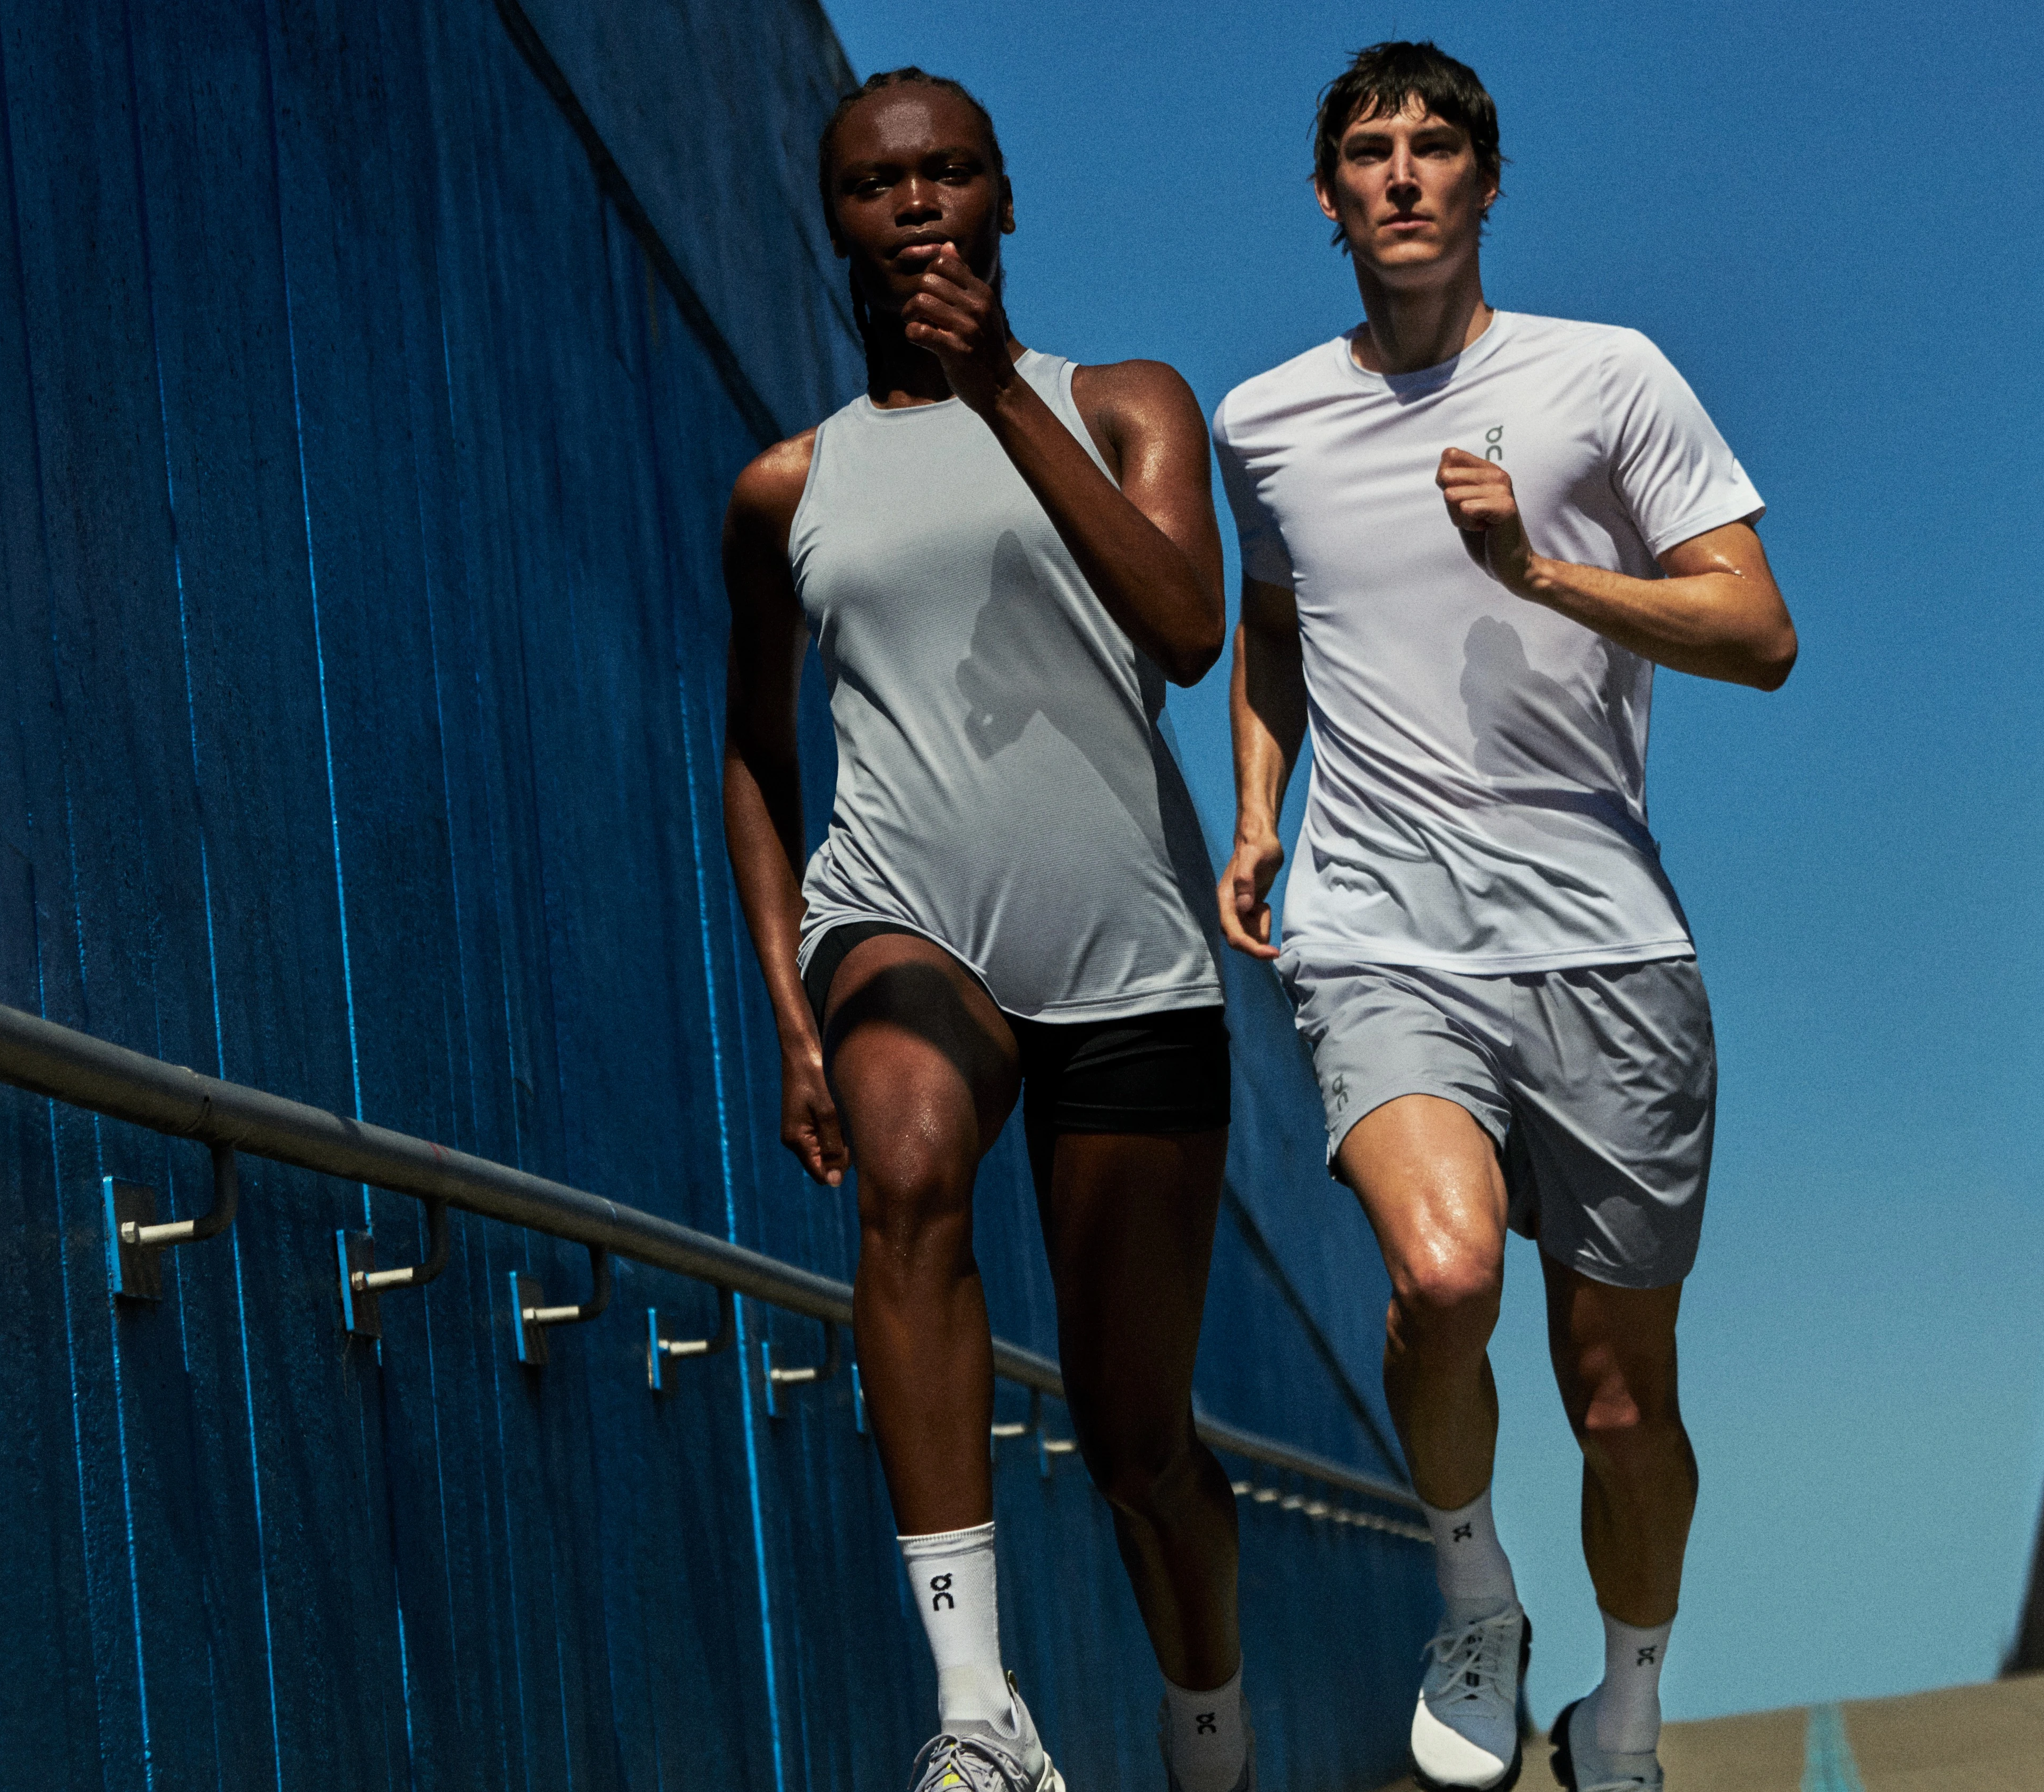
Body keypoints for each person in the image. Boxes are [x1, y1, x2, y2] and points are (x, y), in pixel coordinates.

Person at [1212, 40, 1797, 1792]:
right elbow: (1277, 614)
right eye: (1370, 152)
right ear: (1327, 198)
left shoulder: (1604, 380)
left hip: (1606, 944)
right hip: (1379, 929)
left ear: (1485, 180)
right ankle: (1475, 1592)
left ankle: (1624, 1702)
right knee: (1443, 1272)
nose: (1403, 175)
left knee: (1622, 1404)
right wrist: (1258, 807)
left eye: (1436, 146)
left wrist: (1537, 572)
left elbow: (1757, 632)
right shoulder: (1267, 421)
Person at [718, 66, 1253, 1792]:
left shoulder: (1122, 404)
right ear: (841, 225)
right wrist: (797, 1006)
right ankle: (977, 1711)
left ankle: (1206, 1722)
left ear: (1008, 201)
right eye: (883, 185)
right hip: (900, 915)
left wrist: (995, 393)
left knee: (1134, 1438)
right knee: (912, 1163)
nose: (923, 203)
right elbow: (753, 746)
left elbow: (1186, 629)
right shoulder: (786, 487)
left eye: (954, 173)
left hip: (1126, 954)